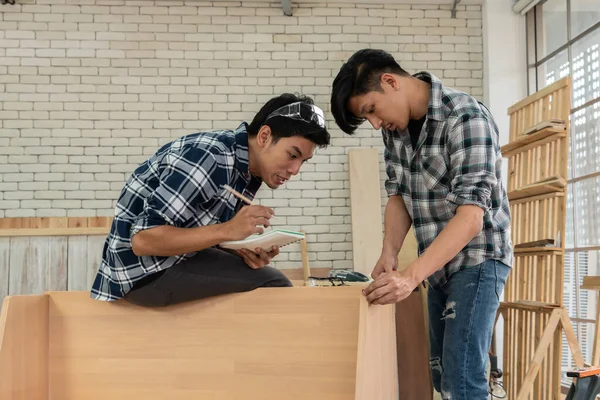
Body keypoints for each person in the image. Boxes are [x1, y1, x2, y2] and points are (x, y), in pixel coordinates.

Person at [330, 49, 513, 399]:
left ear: (390, 81)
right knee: (441, 374)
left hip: (478, 259)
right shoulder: (395, 133)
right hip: (438, 263)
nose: (374, 123)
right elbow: (398, 195)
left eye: (371, 109)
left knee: (461, 380)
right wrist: (389, 253)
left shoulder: (465, 117)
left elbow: (472, 218)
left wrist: (411, 276)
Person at [91, 93, 330, 307]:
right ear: (265, 136)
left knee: (260, 273)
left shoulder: (246, 169)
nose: (295, 169)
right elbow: (143, 240)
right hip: (143, 273)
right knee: (273, 283)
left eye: (303, 161)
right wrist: (227, 230)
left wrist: (242, 251)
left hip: (175, 258)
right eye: (292, 155)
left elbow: (195, 229)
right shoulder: (210, 158)